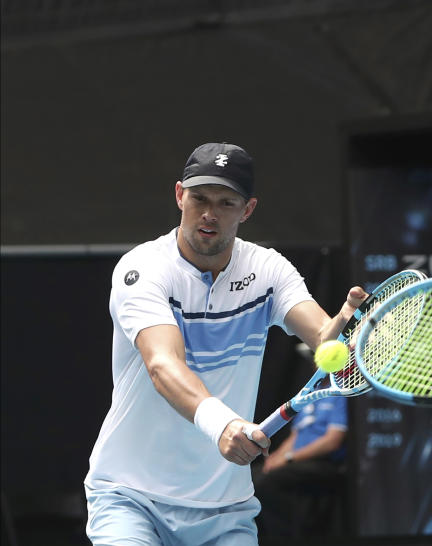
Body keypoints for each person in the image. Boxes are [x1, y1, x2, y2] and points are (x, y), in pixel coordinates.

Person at [84, 141, 367, 545]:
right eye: (198, 198)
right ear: (180, 195)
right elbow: (163, 365)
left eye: (226, 202)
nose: (209, 214)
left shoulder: (268, 270)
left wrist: (342, 327)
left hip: (223, 509)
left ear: (247, 209)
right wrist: (224, 425)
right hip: (130, 495)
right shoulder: (143, 269)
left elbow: (323, 338)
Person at [253, 396, 348, 536]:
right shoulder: (312, 395)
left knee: (267, 482)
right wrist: (275, 458)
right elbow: (295, 436)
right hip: (295, 463)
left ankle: (288, 538)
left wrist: (289, 458)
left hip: (325, 463)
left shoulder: (340, 397)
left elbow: (332, 441)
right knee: (252, 477)